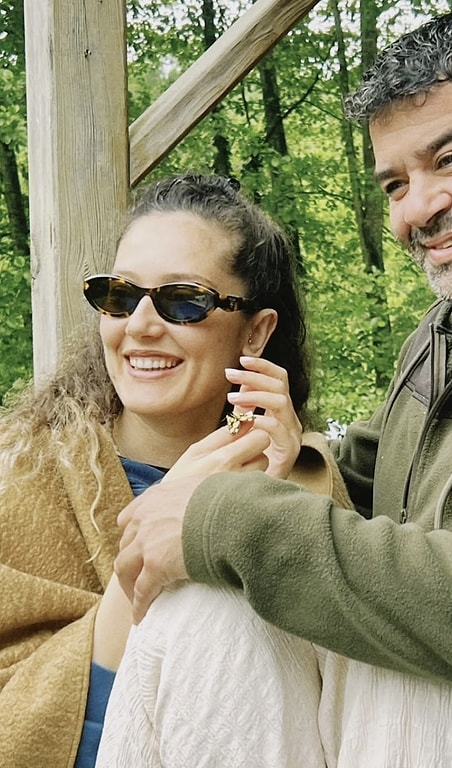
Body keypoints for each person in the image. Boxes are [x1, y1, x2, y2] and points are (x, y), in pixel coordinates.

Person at [113, 10, 452, 768]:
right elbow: (366, 480)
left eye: (450, 158)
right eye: (396, 183)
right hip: (394, 730)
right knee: (211, 602)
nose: (417, 209)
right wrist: (283, 456)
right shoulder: (444, 334)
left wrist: (227, 519)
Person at [0, 172, 329, 767]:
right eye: (120, 296)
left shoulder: (315, 479)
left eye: (184, 300)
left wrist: (263, 510)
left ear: (255, 331)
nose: (142, 325)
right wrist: (176, 510)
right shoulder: (20, 480)